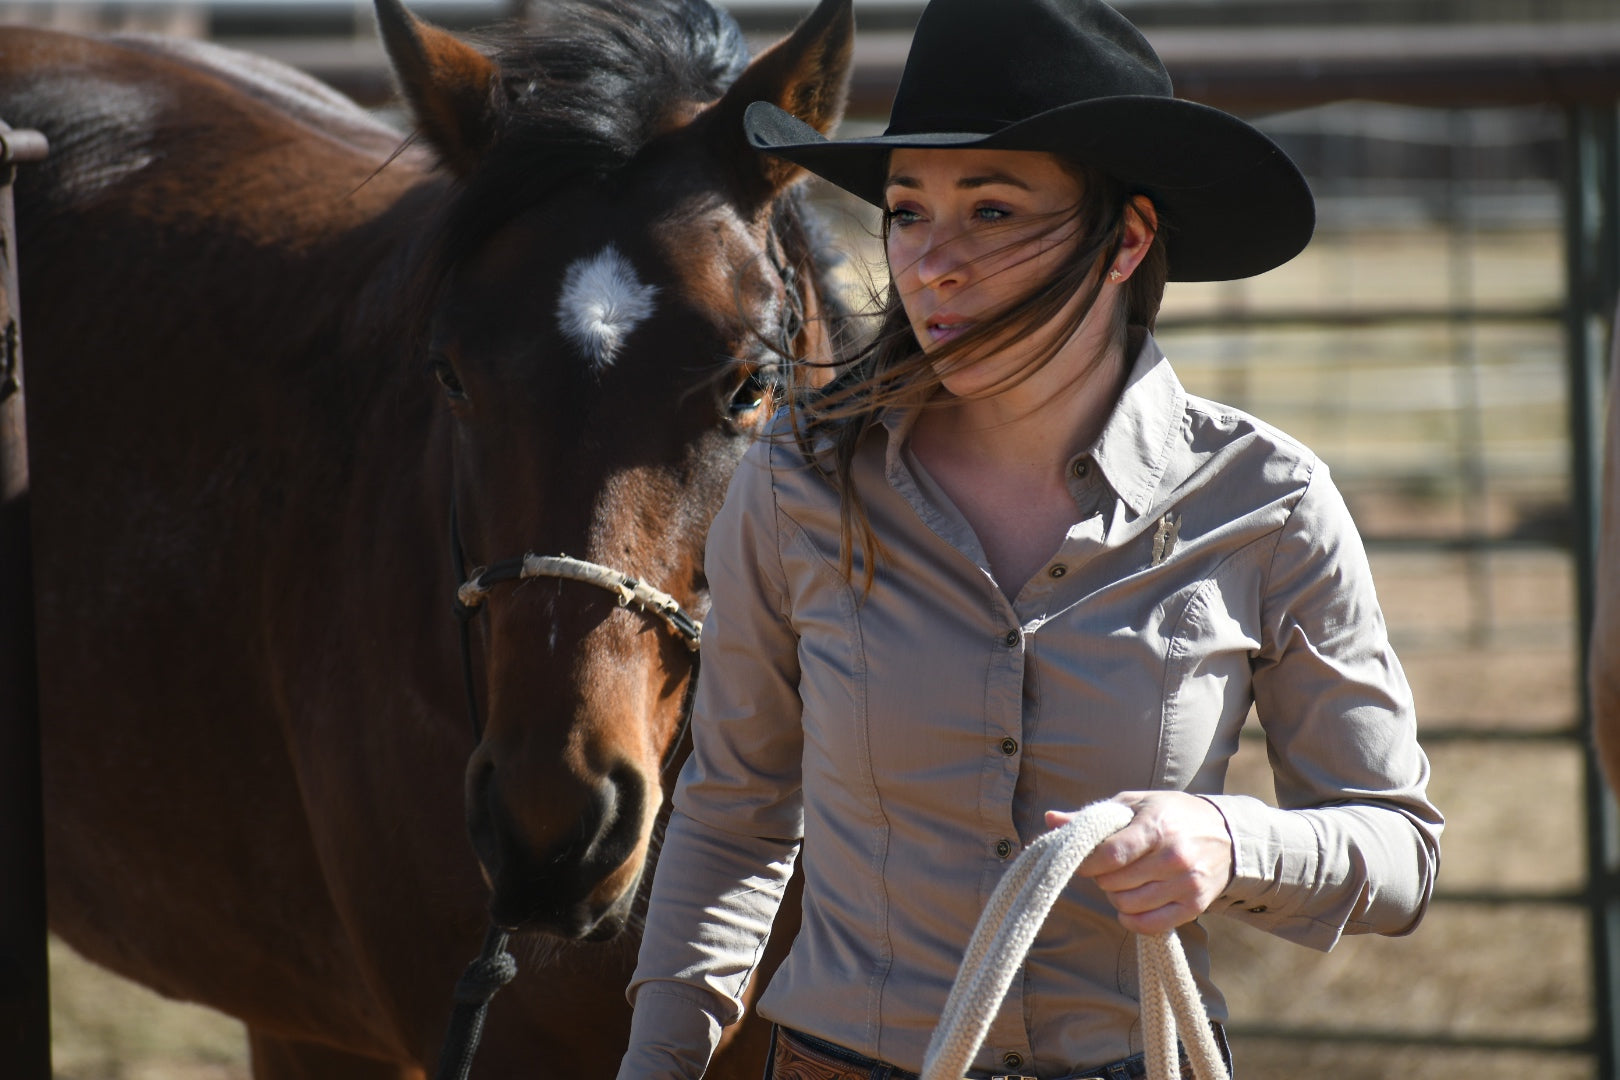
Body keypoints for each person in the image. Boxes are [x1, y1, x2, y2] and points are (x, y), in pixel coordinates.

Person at [617, 0, 1444, 1077]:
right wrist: (660, 1063)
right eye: (907, 211)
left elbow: (1399, 849)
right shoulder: (796, 490)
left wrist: (1232, 844)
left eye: (994, 211)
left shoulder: (1268, 505)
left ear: (1127, 241)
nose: (932, 262)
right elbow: (733, 819)